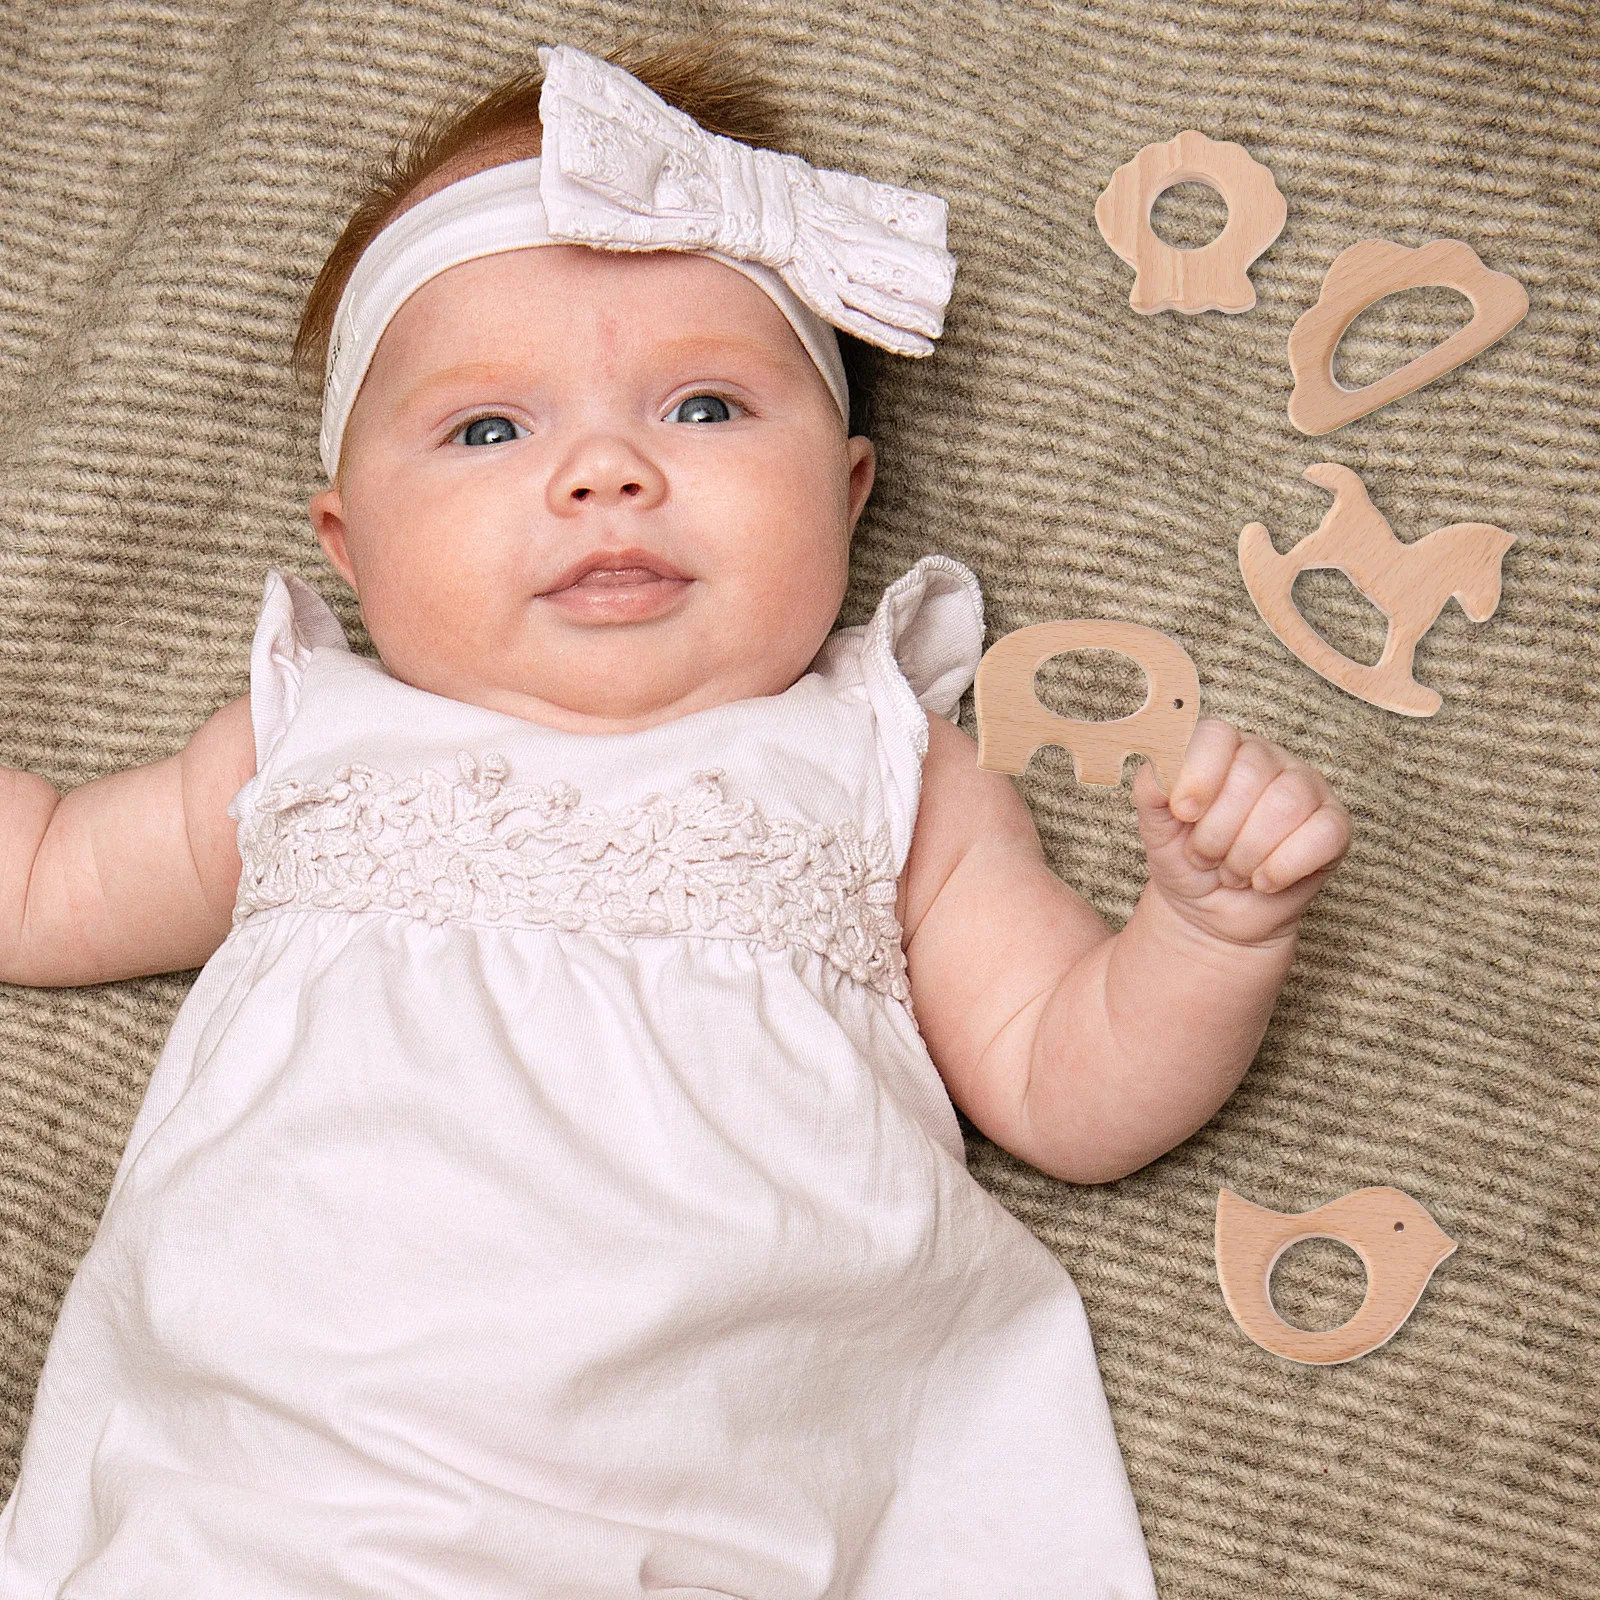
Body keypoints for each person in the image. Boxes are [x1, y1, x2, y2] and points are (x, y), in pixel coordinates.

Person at [0, 37, 1349, 1599]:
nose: (606, 474)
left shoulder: (885, 770)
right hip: (280, 1483)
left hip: (728, 1483)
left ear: (846, 494)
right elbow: (37, 883)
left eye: (705, 407)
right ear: (347, 545)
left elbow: (1066, 1082)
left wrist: (1205, 934)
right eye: (489, 431)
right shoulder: (305, 740)